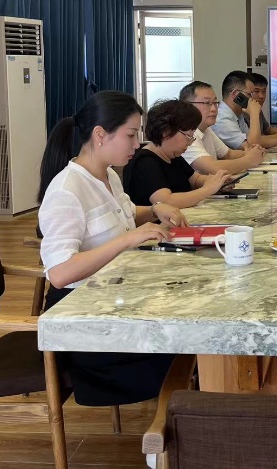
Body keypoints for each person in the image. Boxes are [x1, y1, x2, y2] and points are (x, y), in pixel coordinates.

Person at [37, 91, 187, 407]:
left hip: (114, 300)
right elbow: (60, 273)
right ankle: (175, 424)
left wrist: (155, 210)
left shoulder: (107, 176)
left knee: (188, 314)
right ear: (100, 135)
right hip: (83, 323)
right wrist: (126, 241)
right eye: (130, 135)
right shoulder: (66, 190)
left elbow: (126, 214)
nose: (137, 144)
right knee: (184, 345)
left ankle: (185, 417)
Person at [123, 100, 234, 209]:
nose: (190, 143)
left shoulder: (173, 156)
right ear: (166, 132)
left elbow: (195, 180)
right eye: (188, 136)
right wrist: (207, 190)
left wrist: (218, 182)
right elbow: (166, 201)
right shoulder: (144, 162)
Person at [178, 80, 267, 174]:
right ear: (188, 106)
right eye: (207, 103)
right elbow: (213, 167)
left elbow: (228, 154)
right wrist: (249, 160)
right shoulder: (184, 135)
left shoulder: (206, 129)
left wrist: (251, 153)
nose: (214, 109)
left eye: (215, 103)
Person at [213, 70, 277, 150]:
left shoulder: (237, 114)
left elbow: (254, 139)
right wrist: (254, 114)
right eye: (249, 94)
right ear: (235, 94)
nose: (252, 98)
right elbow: (252, 146)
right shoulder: (222, 119)